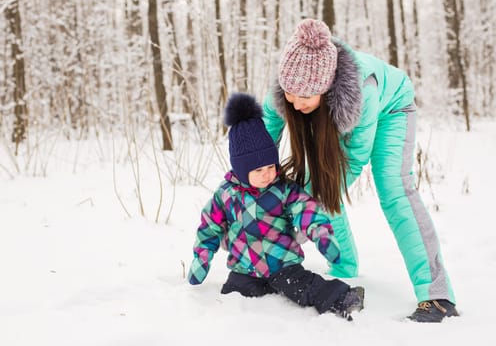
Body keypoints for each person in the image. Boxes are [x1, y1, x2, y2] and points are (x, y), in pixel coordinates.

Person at [262, 18, 458, 323]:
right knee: (315, 183)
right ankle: (344, 267)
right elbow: (265, 130)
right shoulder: (292, 82)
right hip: (337, 115)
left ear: (325, 89)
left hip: (392, 107)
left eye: (304, 97)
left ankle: (437, 294)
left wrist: (305, 213)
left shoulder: (361, 91)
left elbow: (353, 161)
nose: (295, 103)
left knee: (393, 189)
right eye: (290, 94)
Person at [188, 92, 365, 321]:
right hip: (244, 268)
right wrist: (201, 259)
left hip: (283, 264)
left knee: (305, 289)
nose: (267, 175)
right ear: (242, 171)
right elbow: (209, 227)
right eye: (258, 171)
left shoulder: (284, 189)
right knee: (231, 297)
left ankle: (345, 296)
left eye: (271, 167)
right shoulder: (225, 195)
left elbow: (307, 209)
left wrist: (320, 233)